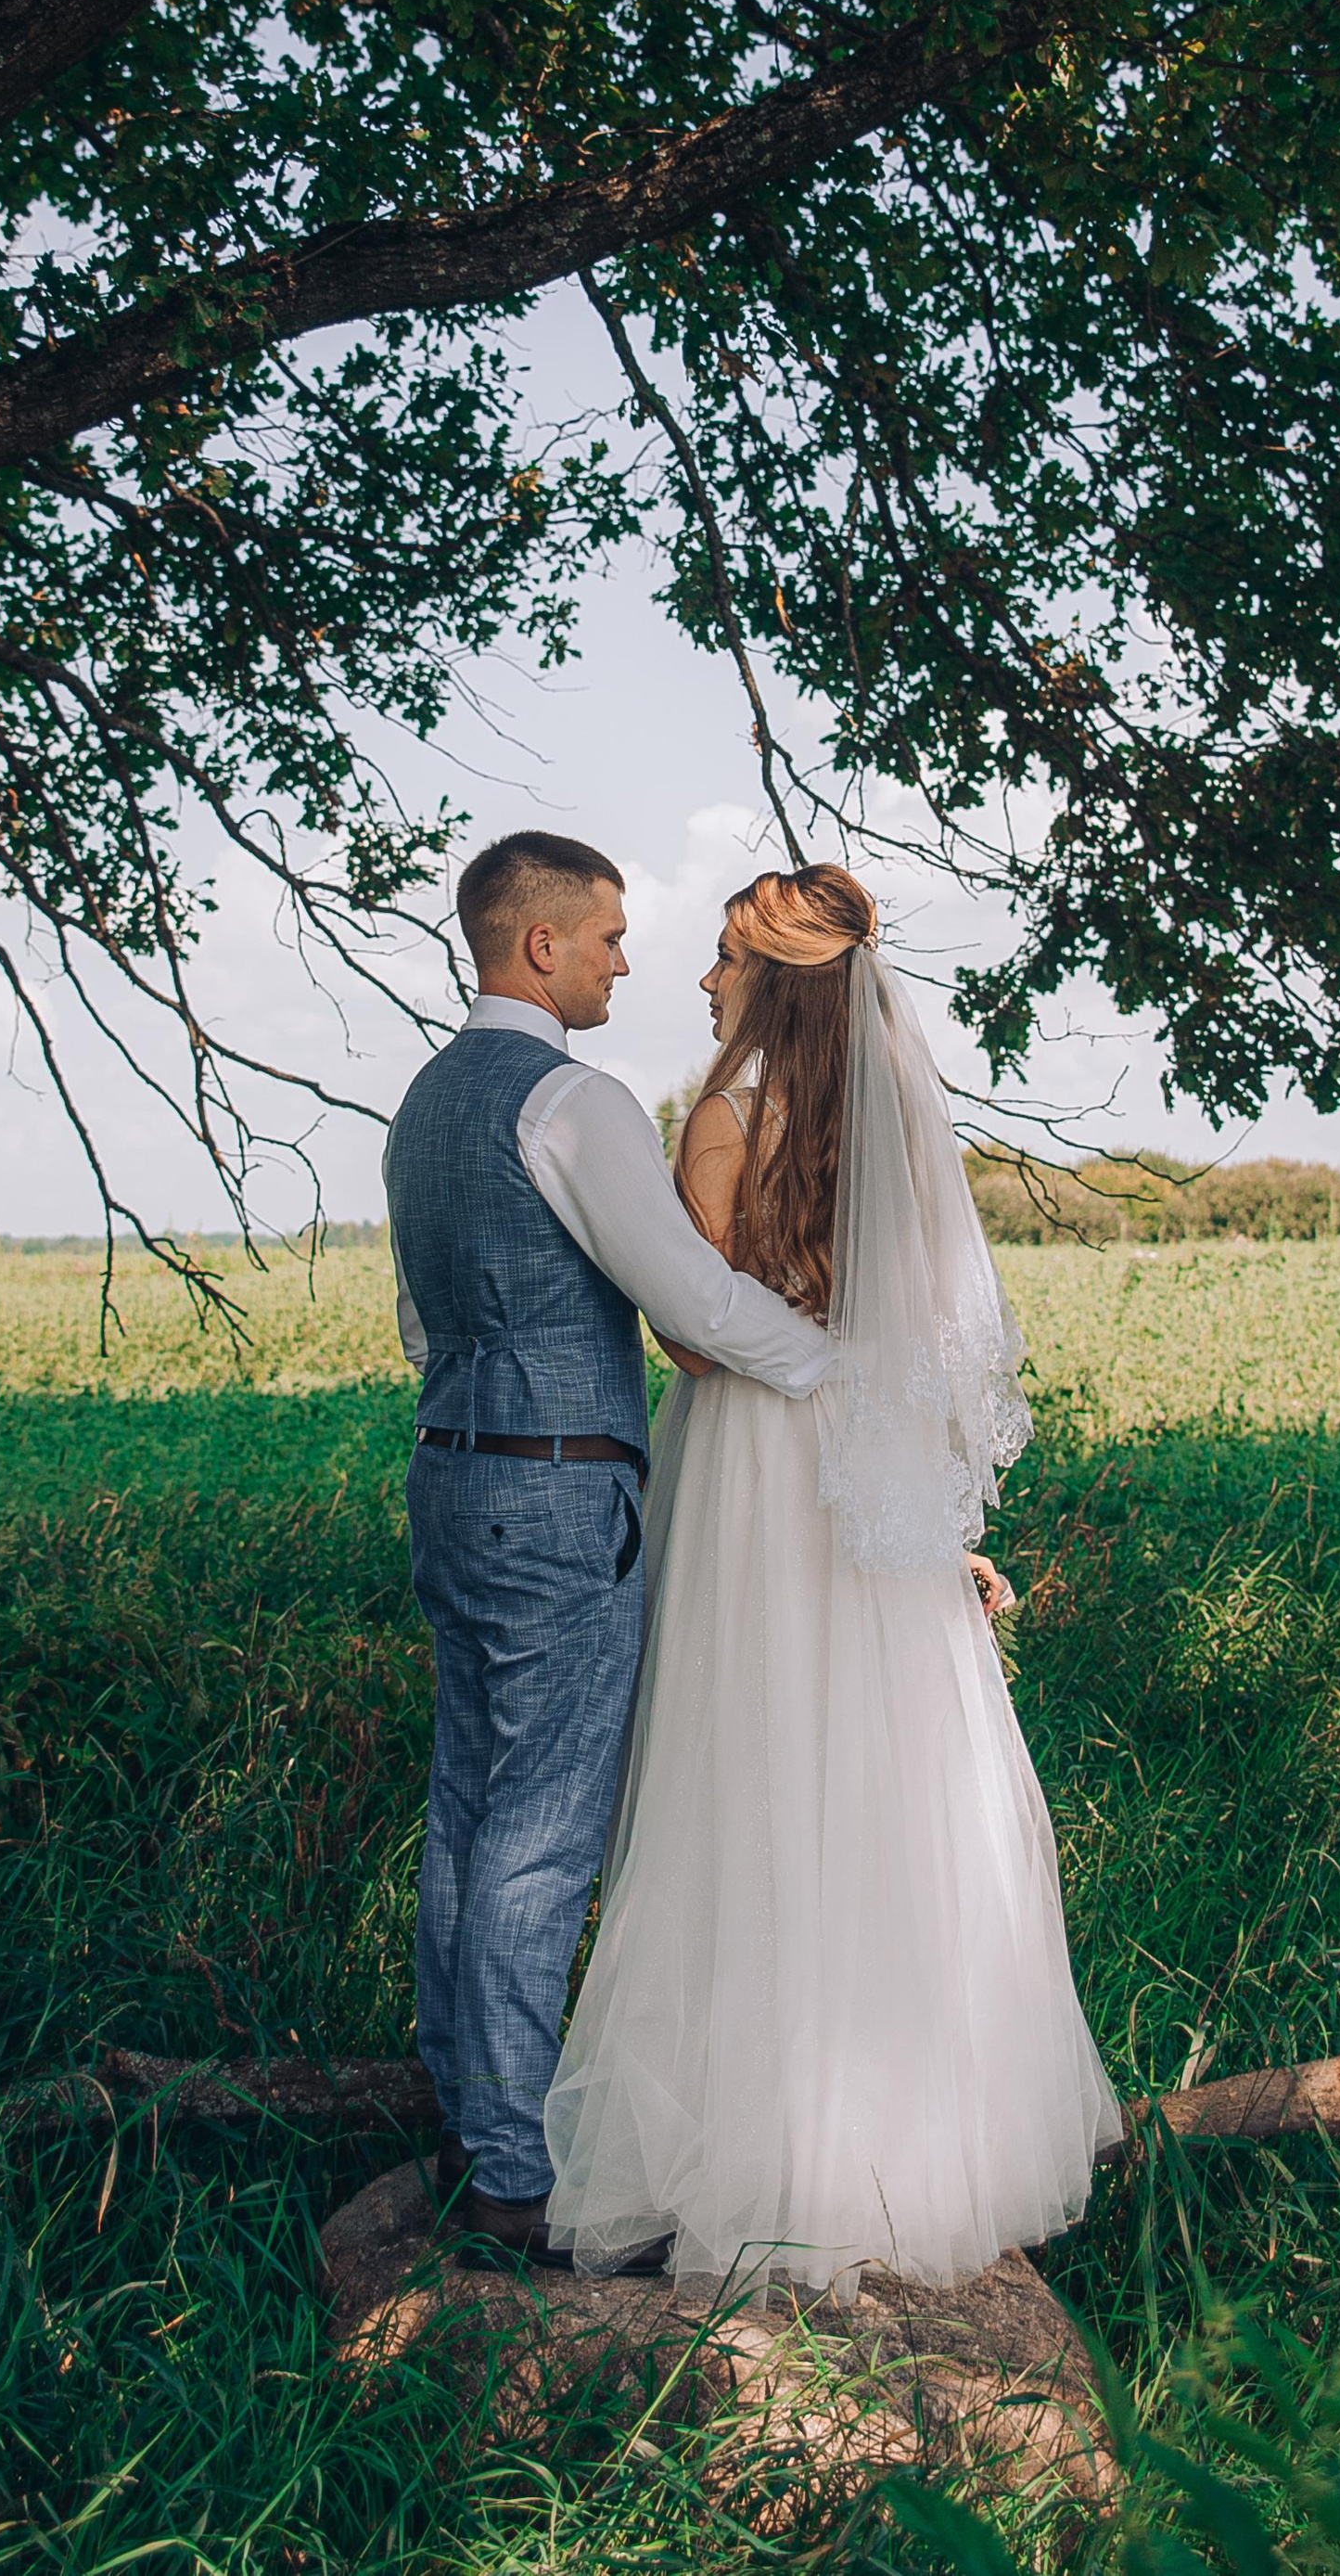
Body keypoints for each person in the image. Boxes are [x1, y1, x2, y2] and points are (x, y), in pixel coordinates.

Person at [543, 860, 1123, 2305]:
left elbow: (690, 1337)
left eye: (724, 960)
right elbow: (922, 1349)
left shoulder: (724, 1118)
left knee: (742, 1769)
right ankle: (913, 2148)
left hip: (753, 1467)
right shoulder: (893, 1129)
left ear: (774, 981)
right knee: (885, 1771)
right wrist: (941, 1521)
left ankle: (750, 2151)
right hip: (868, 1474)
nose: (700, 980)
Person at [383, 829, 836, 2266]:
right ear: (539, 946)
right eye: (608, 941)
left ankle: (468, 2120)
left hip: (448, 1471)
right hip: (556, 1493)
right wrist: (839, 1365)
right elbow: (694, 1304)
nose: (626, 964)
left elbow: (423, 1323)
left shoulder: (424, 1103)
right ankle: (516, 2174)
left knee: (465, 1812)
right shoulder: (570, 1105)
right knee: (541, 1835)